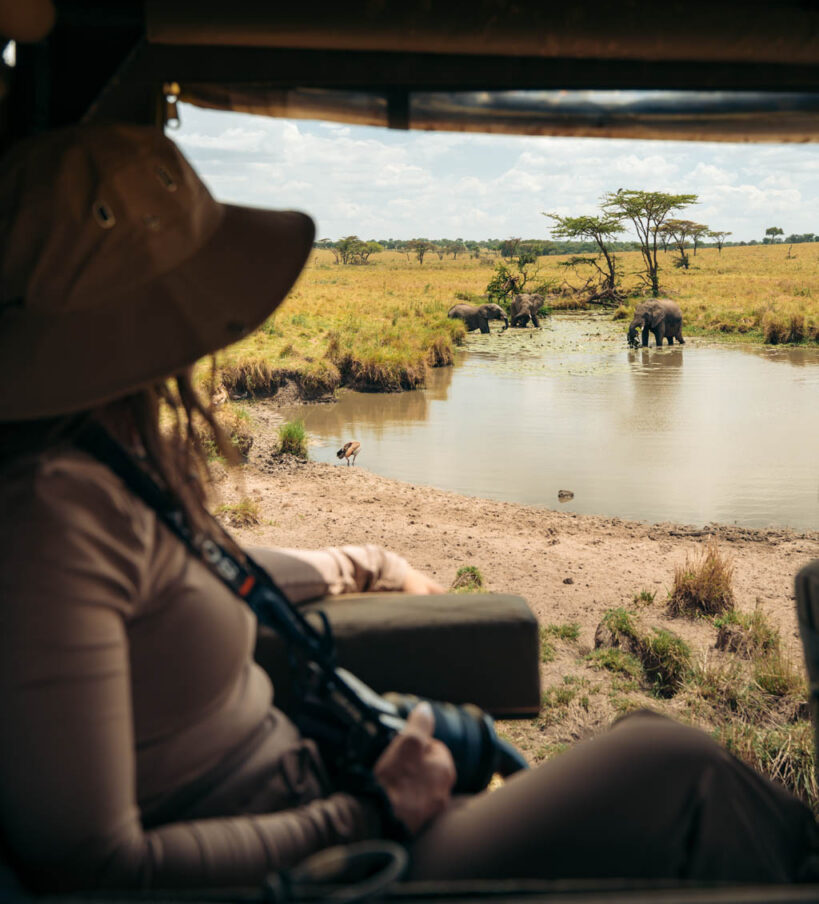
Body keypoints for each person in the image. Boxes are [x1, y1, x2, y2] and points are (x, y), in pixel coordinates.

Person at [0, 125, 816, 893]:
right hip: (330, 859)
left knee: (640, 737)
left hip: (318, 794)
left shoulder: (103, 463)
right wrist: (372, 812)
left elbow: (197, 578)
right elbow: (94, 869)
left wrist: (361, 562)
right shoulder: (49, 517)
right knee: (678, 770)